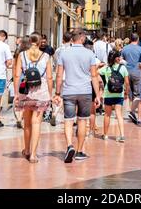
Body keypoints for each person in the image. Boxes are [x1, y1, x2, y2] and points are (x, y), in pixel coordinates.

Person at [54, 29, 100, 162]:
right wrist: (97, 95)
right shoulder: (89, 53)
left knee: (68, 120)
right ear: (82, 38)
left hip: (69, 91)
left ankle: (69, 145)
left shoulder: (64, 53)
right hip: (85, 91)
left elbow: (59, 75)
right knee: (82, 121)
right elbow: (94, 75)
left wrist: (57, 93)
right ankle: (79, 151)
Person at [14, 33, 52, 163]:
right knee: (36, 123)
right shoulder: (46, 56)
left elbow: (17, 76)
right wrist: (51, 94)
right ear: (41, 41)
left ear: (29, 41)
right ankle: (34, 155)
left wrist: (16, 94)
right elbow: (49, 77)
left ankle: (27, 149)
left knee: (27, 124)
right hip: (41, 91)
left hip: (26, 92)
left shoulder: (22, 55)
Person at [99, 50, 129, 142]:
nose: (120, 58)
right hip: (119, 94)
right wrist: (126, 93)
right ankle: (122, 135)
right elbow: (127, 83)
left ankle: (105, 135)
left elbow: (95, 73)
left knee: (107, 115)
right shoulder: (123, 68)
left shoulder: (106, 68)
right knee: (119, 115)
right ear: (117, 58)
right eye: (119, 56)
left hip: (108, 94)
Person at [122, 33, 141, 125]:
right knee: (137, 94)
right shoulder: (140, 49)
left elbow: (121, 59)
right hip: (137, 72)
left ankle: (131, 110)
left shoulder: (125, 48)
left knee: (129, 92)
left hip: (126, 72)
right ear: (137, 39)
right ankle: (133, 111)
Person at [12, 35, 30, 128]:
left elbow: (14, 66)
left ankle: (18, 118)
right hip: (26, 78)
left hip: (18, 77)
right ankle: (21, 118)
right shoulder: (29, 53)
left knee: (18, 98)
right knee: (25, 99)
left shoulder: (17, 52)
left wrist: (14, 77)